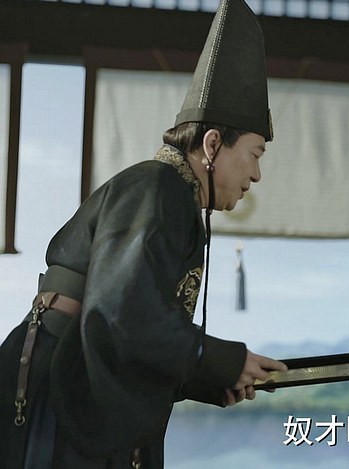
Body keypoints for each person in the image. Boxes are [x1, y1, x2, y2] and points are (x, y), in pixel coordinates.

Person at [0, 0, 287, 467]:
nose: (256, 175)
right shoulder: (157, 187)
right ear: (213, 143)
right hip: (60, 379)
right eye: (255, 155)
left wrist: (210, 377)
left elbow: (132, 329)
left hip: (75, 371)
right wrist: (217, 358)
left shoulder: (173, 196)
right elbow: (118, 313)